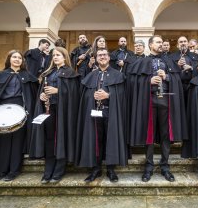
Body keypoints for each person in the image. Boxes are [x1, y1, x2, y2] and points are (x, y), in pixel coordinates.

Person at [126, 35, 188, 183]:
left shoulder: (168, 61)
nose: (161, 44)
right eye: (158, 42)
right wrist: (148, 80)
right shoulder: (141, 61)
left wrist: (167, 77)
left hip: (166, 100)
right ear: (150, 44)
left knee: (166, 134)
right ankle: (148, 166)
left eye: (162, 42)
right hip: (149, 100)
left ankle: (165, 166)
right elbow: (132, 82)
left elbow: (177, 80)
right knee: (149, 134)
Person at [0, 50, 38, 182]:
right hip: (2, 109)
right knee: (3, 141)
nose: (17, 59)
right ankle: (2, 171)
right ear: (9, 59)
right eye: (14, 57)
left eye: (19, 58)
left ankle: (14, 171)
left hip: (21, 109)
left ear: (23, 61)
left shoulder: (28, 76)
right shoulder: (0, 75)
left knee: (17, 141)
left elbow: (32, 96)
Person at [30, 47, 80, 184]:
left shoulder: (71, 73)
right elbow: (43, 90)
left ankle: (59, 169)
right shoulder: (48, 73)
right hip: (49, 110)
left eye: (58, 55)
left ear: (64, 57)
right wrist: (42, 95)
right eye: (53, 55)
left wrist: (58, 90)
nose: (55, 57)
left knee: (61, 138)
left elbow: (74, 94)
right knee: (49, 139)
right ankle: (48, 169)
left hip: (63, 111)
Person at [76, 48, 127, 183]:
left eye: (105, 55)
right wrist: (91, 97)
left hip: (111, 112)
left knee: (110, 139)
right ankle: (96, 169)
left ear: (109, 58)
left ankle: (111, 169)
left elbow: (123, 95)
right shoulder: (91, 76)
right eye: (100, 55)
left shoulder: (118, 75)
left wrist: (109, 95)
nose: (102, 57)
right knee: (95, 140)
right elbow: (84, 95)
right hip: (94, 112)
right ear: (96, 58)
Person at [170, 36, 198, 102]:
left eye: (185, 41)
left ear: (188, 44)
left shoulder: (196, 56)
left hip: (192, 85)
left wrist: (191, 68)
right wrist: (178, 66)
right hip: (178, 86)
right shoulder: (171, 57)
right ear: (177, 45)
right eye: (181, 42)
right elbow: (170, 71)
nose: (183, 43)